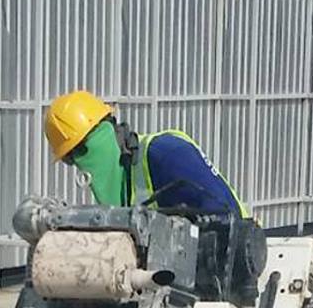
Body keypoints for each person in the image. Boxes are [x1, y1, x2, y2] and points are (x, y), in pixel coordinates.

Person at [44, 90, 247, 215]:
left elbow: (227, 214)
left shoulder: (167, 153)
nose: (79, 162)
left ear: (107, 129)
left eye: (81, 149)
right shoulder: (122, 185)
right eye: (70, 158)